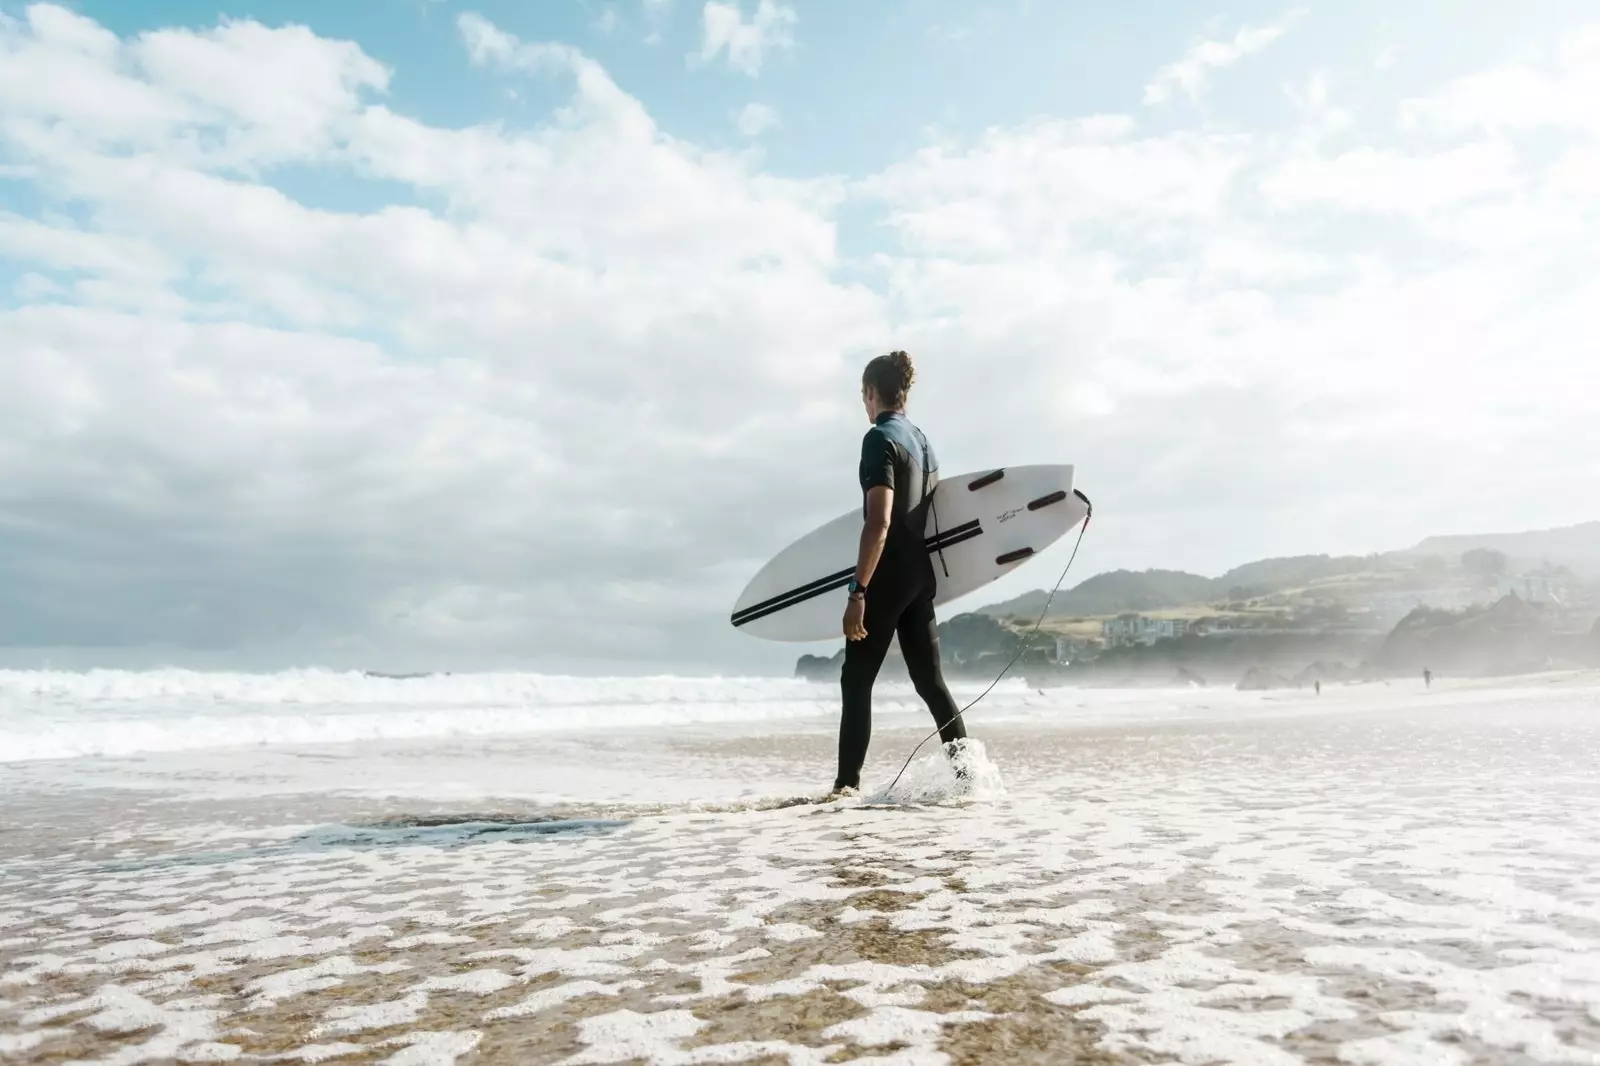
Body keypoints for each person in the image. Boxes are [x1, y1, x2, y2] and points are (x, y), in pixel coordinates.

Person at [831, 350, 968, 796]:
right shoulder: (924, 442)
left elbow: (880, 521)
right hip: (920, 577)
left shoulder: (878, 439)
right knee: (931, 683)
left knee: (855, 681)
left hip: (888, 578)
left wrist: (858, 592)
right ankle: (970, 781)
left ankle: (845, 790)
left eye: (862, 396)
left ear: (872, 394)